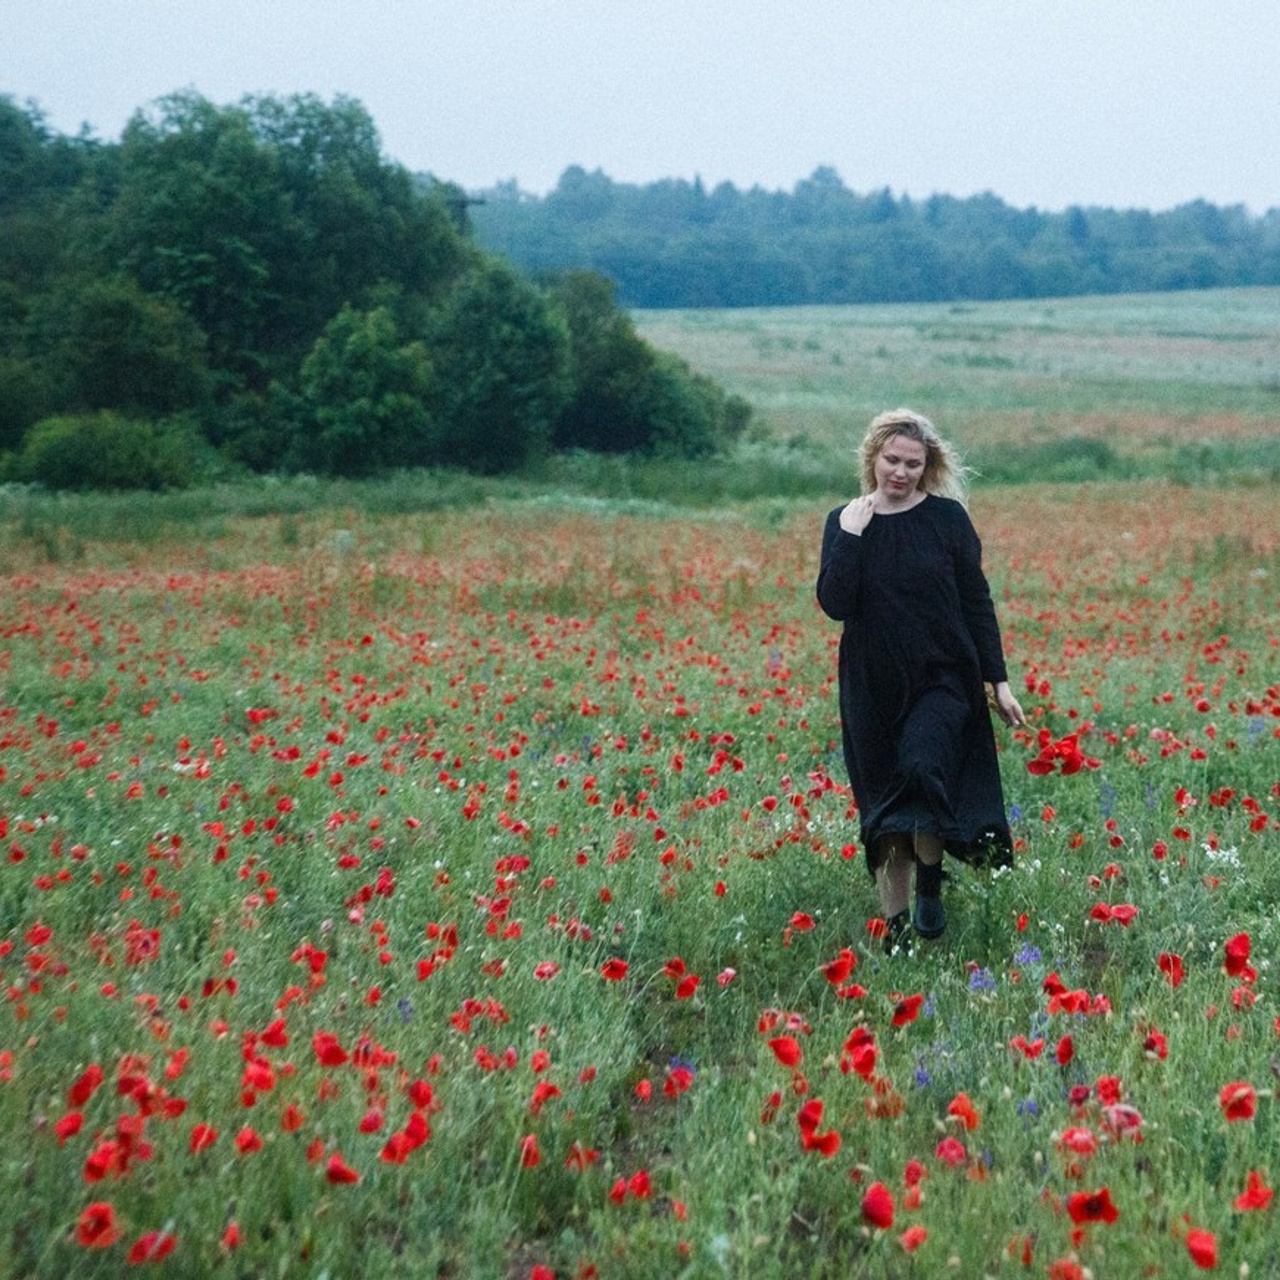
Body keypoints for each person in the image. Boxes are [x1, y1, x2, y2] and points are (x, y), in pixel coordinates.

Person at [816, 408, 1024, 951]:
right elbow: (835, 604)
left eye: (913, 463)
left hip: (944, 677)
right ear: (873, 458)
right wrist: (852, 536)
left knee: (923, 768)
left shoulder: (948, 520)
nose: (901, 472)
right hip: (871, 686)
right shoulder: (844, 520)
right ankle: (897, 930)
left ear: (927, 466)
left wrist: (998, 681)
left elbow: (976, 601)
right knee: (886, 811)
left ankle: (930, 879)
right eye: (892, 460)